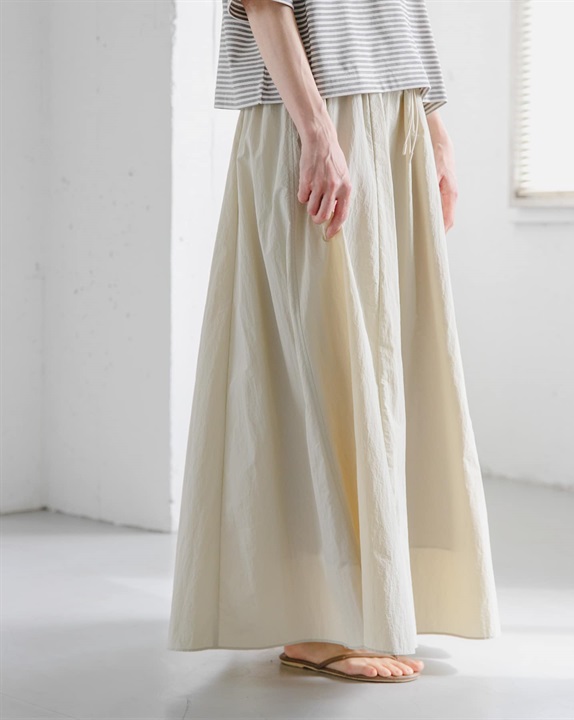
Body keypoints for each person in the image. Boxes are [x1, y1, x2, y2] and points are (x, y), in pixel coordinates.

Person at [167, 0, 501, 684]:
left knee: (388, 361)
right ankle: (321, 617)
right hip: (316, 109)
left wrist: (432, 123)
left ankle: (377, 599)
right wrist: (316, 132)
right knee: (314, 355)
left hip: (392, 113)